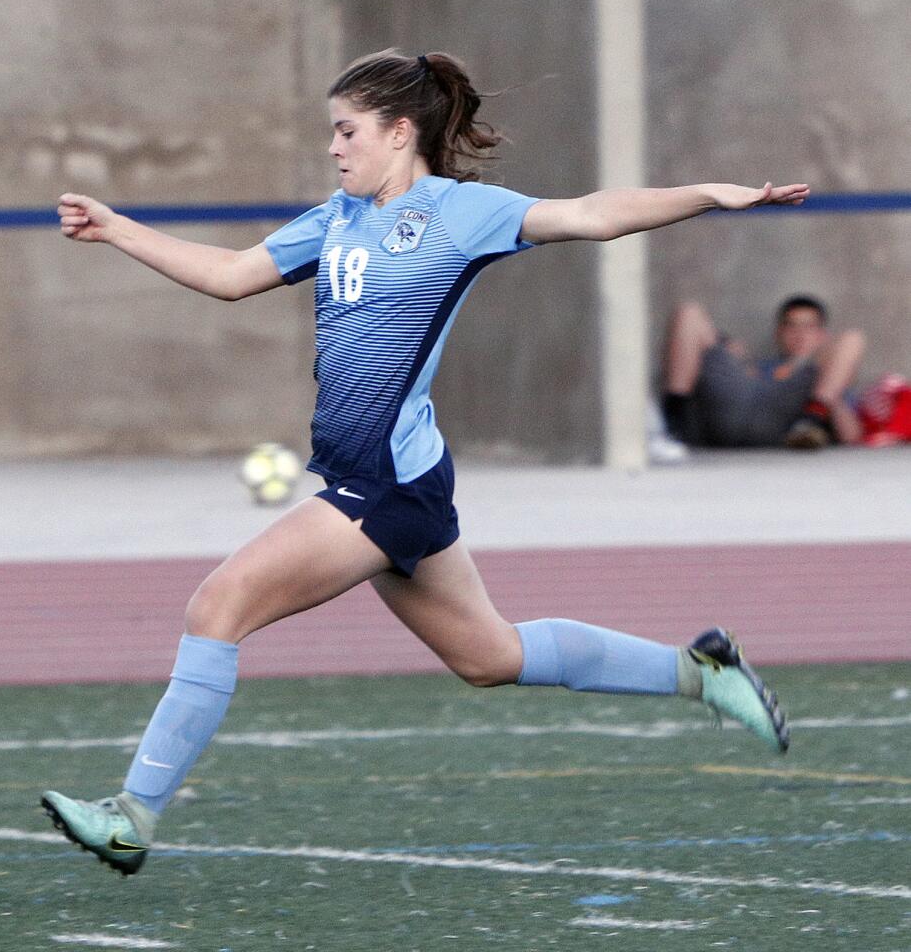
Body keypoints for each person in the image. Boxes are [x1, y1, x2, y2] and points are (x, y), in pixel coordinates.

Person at [42, 49, 797, 876]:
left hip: (386, 486)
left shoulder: (458, 212)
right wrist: (116, 229)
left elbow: (588, 213)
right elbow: (229, 275)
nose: (334, 148)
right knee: (490, 658)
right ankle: (699, 673)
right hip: (396, 478)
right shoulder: (335, 217)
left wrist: (712, 195)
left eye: (347, 130)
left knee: (216, 606)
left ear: (399, 133)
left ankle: (132, 816)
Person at [661, 295, 867, 449]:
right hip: (736, 399)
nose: (800, 335)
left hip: (788, 418)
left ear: (822, 336)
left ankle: (810, 421)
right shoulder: (755, 363)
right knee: (689, 312)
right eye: (791, 326)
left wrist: (832, 399)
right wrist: (729, 350)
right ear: (779, 333)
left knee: (853, 338)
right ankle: (671, 421)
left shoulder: (827, 378)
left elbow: (851, 437)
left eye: (809, 327)